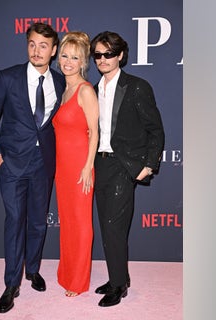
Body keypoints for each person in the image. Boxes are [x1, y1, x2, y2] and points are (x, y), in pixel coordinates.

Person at [0, 22, 66, 314]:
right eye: (32, 44)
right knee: (15, 220)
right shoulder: (7, 78)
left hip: (44, 165)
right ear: (26, 45)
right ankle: (11, 283)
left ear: (54, 50)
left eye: (43, 45)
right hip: (12, 164)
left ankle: (33, 271)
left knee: (38, 223)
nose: (36, 50)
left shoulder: (60, 81)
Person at [90, 31, 165, 307]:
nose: (103, 59)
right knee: (106, 226)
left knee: (113, 227)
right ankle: (116, 277)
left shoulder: (136, 86)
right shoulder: (92, 89)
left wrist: (149, 164)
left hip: (125, 164)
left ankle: (119, 285)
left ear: (121, 55)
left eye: (108, 53)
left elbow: (155, 130)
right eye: (97, 54)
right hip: (100, 163)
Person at [52, 31, 99, 298]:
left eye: (75, 58)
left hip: (80, 166)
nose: (68, 61)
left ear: (83, 62)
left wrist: (87, 166)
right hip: (63, 167)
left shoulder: (85, 90)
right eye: (65, 56)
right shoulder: (64, 88)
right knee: (68, 221)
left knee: (81, 223)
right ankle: (66, 271)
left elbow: (94, 131)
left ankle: (78, 281)